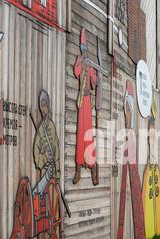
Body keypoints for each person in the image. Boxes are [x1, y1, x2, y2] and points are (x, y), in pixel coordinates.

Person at [74, 28, 99, 186]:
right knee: (80, 134)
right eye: (82, 47)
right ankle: (78, 167)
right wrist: (82, 65)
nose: (84, 50)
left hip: (88, 101)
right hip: (81, 101)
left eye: (85, 48)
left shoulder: (90, 64)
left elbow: (94, 82)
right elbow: (77, 72)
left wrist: (94, 74)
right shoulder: (80, 61)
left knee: (88, 135)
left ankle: (92, 166)